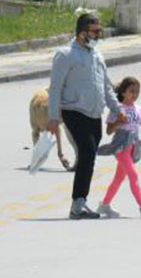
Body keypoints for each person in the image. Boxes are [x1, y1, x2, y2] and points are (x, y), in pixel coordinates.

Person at [48, 13, 126, 220]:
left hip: (94, 113)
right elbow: (55, 87)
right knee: (88, 151)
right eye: (95, 31)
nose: (98, 35)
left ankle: (80, 202)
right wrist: (53, 117)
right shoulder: (65, 54)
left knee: (88, 156)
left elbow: (106, 86)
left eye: (100, 31)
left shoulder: (97, 55)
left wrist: (118, 109)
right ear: (82, 33)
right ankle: (78, 204)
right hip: (73, 110)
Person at [96, 77, 141, 219]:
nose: (135, 94)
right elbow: (109, 131)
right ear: (123, 92)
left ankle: (104, 204)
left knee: (118, 179)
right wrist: (118, 122)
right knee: (133, 174)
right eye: (131, 91)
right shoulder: (117, 109)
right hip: (121, 147)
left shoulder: (139, 109)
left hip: (133, 146)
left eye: (137, 91)